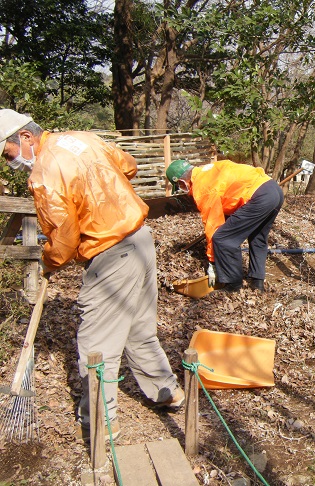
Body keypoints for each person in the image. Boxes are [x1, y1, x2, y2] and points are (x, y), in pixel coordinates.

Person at [0, 109, 184, 440]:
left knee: (95, 342)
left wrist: (50, 261)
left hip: (111, 252)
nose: (9, 161)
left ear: (25, 137)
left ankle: (100, 424)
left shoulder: (44, 172)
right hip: (140, 239)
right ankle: (167, 392)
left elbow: (64, 234)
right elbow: (128, 165)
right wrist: (106, 195)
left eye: (7, 153)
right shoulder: (82, 139)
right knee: (138, 329)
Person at [166, 158, 284, 293]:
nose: (184, 191)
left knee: (223, 239)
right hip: (273, 189)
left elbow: (213, 226)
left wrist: (213, 261)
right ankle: (257, 284)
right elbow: (229, 199)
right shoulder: (209, 170)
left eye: (180, 187)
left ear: (182, 182)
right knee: (257, 237)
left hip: (259, 197)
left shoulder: (202, 187)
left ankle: (233, 285)